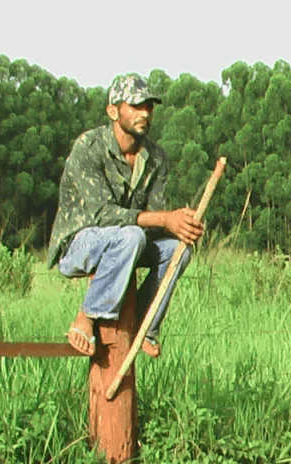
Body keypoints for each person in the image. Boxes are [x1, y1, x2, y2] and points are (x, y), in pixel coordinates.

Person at [46, 73, 204, 357]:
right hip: (80, 243)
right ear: (113, 111)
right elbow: (103, 214)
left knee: (178, 250)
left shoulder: (156, 157)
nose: (145, 113)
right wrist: (165, 219)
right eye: (136, 106)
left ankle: (145, 324)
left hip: (130, 243)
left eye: (149, 107)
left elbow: (155, 219)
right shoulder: (89, 147)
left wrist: (182, 225)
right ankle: (86, 318)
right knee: (129, 235)